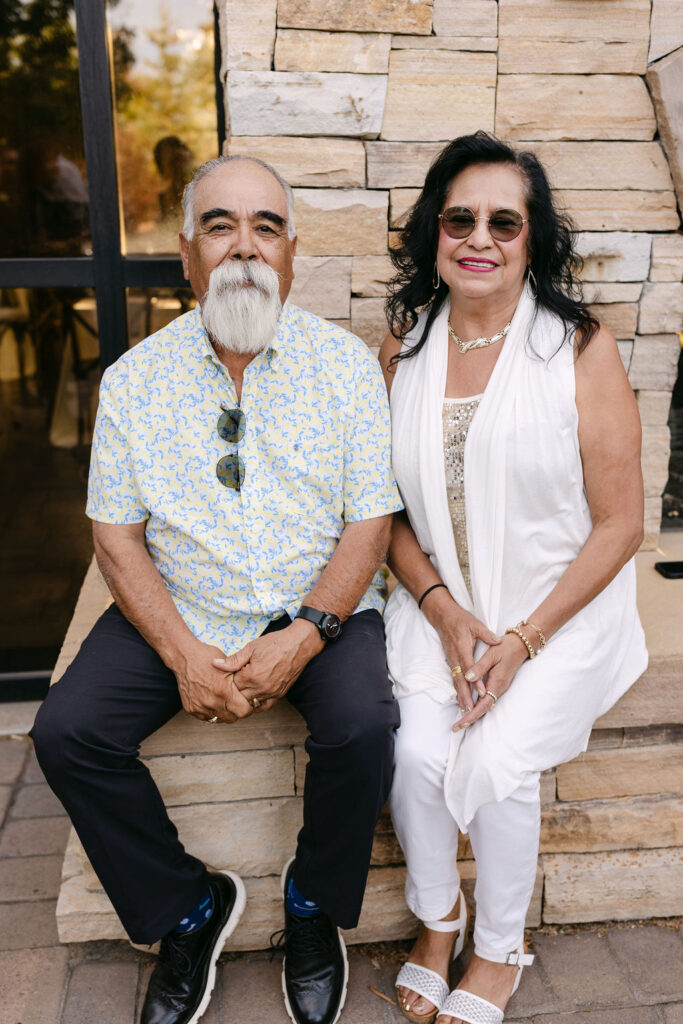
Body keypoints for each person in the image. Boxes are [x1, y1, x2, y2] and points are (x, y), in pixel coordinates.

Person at [31, 154, 403, 1024]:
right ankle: (189, 910)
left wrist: (308, 632)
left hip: (313, 602)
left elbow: (368, 525)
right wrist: (181, 653)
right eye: (220, 225)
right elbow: (115, 538)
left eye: (266, 226)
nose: (245, 247)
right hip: (179, 602)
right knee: (67, 732)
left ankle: (313, 905)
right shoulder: (132, 382)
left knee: (363, 725)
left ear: (291, 253)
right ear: (187, 256)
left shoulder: (344, 369)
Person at [378, 131, 647, 1024]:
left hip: (558, 614)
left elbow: (620, 523)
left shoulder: (575, 348)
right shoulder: (401, 350)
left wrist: (524, 640)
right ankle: (436, 918)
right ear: (433, 231)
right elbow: (386, 520)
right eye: (459, 218)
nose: (478, 237)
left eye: (504, 220)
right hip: (440, 605)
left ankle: (498, 947)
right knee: (414, 751)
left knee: (493, 761)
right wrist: (447, 612)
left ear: (533, 239)